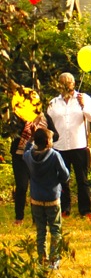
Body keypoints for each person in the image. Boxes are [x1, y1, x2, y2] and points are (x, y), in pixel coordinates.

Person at [46, 72, 91, 219]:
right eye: (63, 83)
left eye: (69, 83)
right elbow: (48, 123)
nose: (66, 86)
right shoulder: (53, 103)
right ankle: (65, 208)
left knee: (82, 179)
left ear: (73, 84)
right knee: (62, 180)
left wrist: (83, 106)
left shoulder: (83, 98)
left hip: (78, 145)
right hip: (59, 146)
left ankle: (85, 210)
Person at [25, 129, 68, 269]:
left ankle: (41, 260)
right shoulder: (54, 156)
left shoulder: (28, 156)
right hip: (52, 198)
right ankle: (54, 261)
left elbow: (27, 149)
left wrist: (31, 138)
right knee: (55, 229)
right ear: (48, 141)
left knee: (40, 230)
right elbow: (65, 175)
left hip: (36, 198)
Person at [9, 90, 47, 226]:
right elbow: (8, 133)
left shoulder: (44, 117)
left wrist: (41, 134)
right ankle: (19, 218)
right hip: (20, 157)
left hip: (37, 157)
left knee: (36, 188)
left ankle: (36, 219)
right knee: (21, 187)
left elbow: (56, 136)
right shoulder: (17, 117)